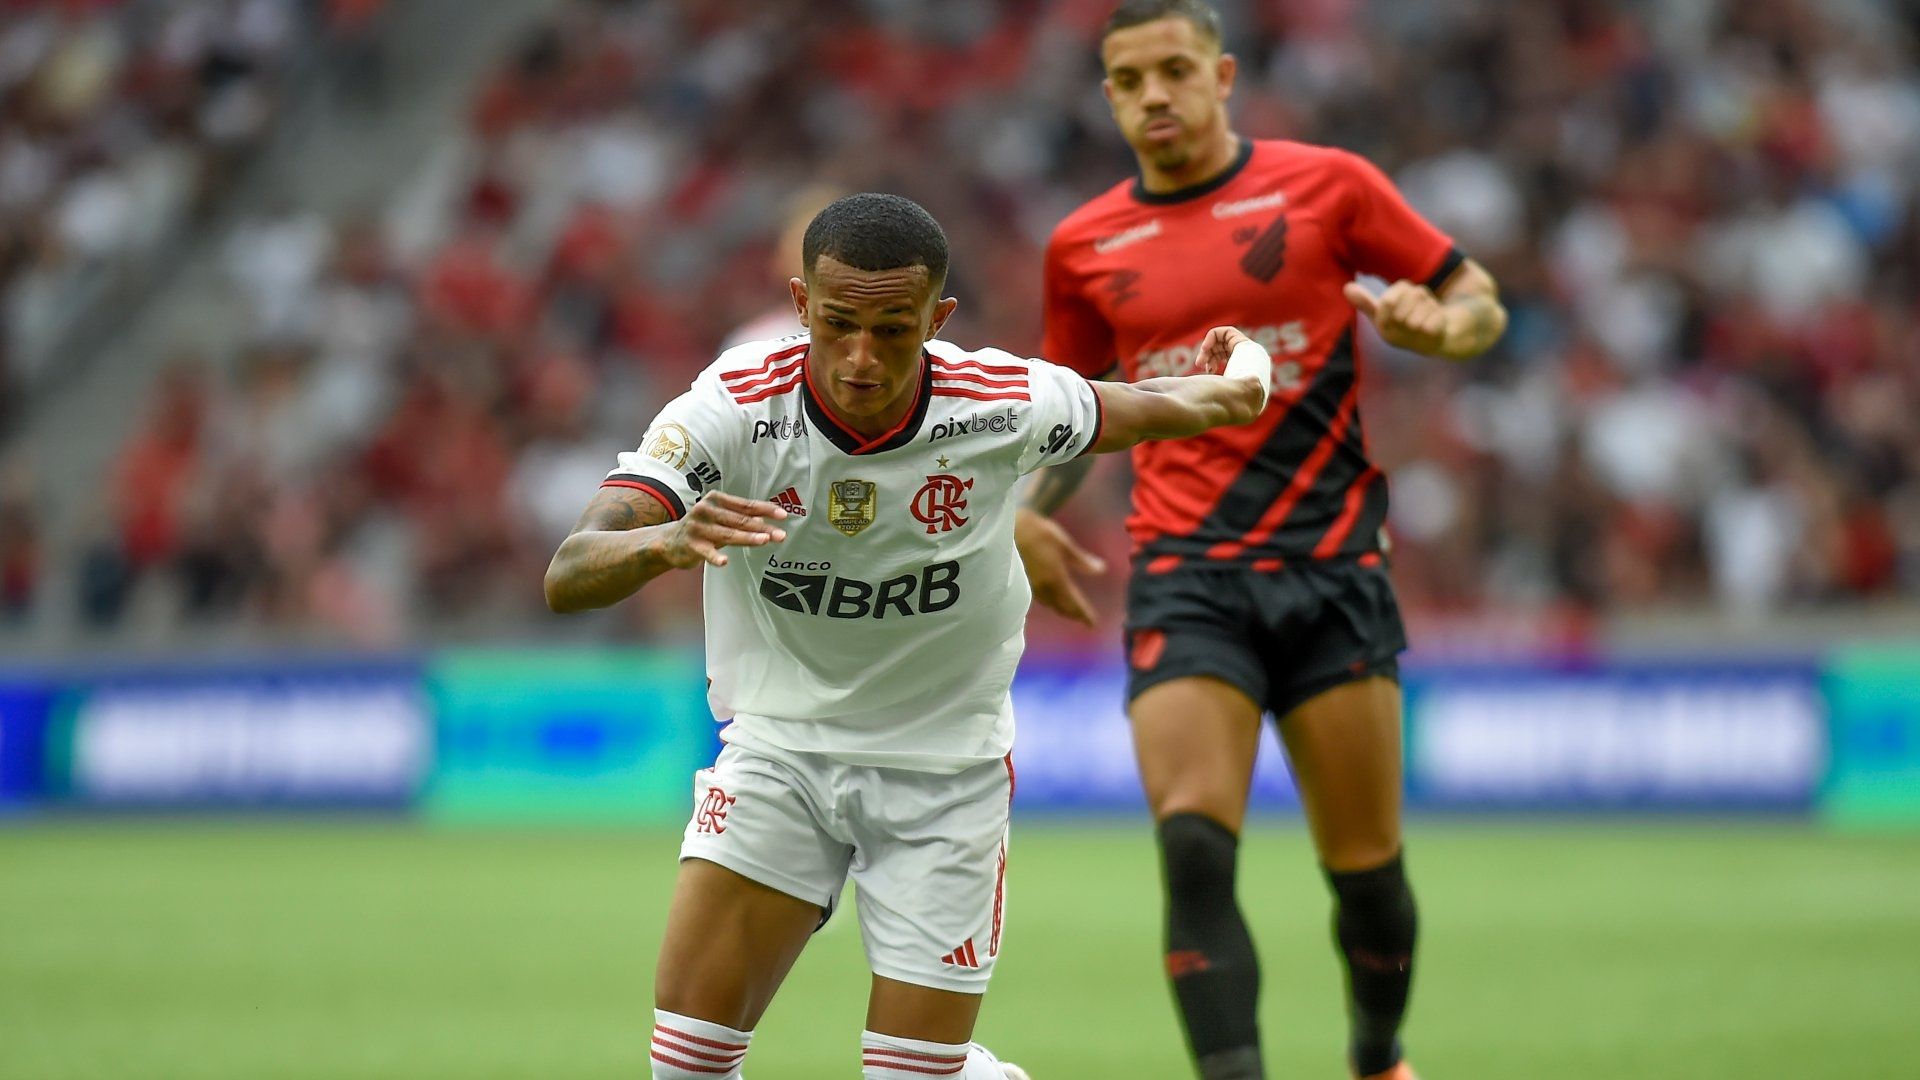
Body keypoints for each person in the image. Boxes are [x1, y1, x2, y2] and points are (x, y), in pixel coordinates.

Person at [545, 192, 1273, 1080]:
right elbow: (570, 570)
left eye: (893, 330)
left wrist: (1246, 378)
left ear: (938, 318)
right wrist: (665, 541)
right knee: (686, 1067)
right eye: (838, 324)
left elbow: (1167, 404)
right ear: (802, 303)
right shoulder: (733, 406)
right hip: (781, 753)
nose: (861, 357)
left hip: (945, 774)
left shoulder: (1000, 402)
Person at [1019, 3, 1510, 1079]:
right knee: (1194, 848)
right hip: (1186, 576)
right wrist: (1023, 513)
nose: (1154, 94)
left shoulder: (1330, 186)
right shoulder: (1083, 244)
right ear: (1107, 96)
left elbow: (1476, 300)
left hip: (1333, 571)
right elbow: (1070, 413)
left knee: (1367, 875)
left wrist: (1445, 328)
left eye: (1174, 69)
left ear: (1224, 75)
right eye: (1129, 79)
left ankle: (1377, 1057)